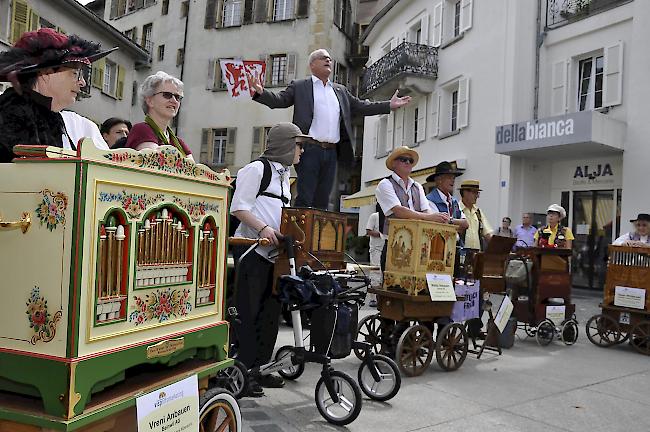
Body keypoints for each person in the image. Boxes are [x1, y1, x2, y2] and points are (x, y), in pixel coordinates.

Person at [250, 48, 412, 209]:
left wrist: (388, 105)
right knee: (305, 196)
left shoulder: (340, 90)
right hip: (309, 150)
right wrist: (261, 92)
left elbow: (361, 106)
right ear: (312, 65)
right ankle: (298, 233)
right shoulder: (300, 86)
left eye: (329, 58)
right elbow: (280, 100)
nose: (328, 60)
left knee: (323, 199)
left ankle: (318, 234)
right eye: (323, 58)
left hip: (332, 152)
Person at [230, 122, 308, 397]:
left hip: (276, 256)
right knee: (248, 314)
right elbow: (239, 207)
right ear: (286, 144)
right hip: (253, 251)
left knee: (270, 315)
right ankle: (243, 370)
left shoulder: (285, 176)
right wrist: (264, 229)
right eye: (298, 145)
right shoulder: (256, 170)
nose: (301, 151)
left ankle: (260, 369)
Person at [0, 28, 113, 162]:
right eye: (75, 73)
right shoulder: (11, 115)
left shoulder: (47, 115)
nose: (82, 82)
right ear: (46, 74)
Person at [375, 146, 449, 270]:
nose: (408, 163)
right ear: (394, 163)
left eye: (410, 161)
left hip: (418, 245)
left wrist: (438, 218)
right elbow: (399, 211)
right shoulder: (385, 184)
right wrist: (430, 217)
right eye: (404, 159)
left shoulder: (417, 186)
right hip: (394, 246)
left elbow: (426, 210)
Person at [126, 71, 192, 158]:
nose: (174, 101)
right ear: (150, 101)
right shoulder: (142, 130)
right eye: (167, 95)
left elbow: (195, 170)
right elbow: (157, 163)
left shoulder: (179, 142)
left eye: (177, 97)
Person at [425, 161, 469, 235]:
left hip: (456, 244)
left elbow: (465, 224)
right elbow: (439, 225)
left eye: (453, 178)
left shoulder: (454, 201)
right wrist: (457, 225)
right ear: (439, 180)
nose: (453, 180)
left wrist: (450, 221)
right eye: (449, 177)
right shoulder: (429, 200)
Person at [459, 180, 493, 251]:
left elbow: (487, 234)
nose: (477, 196)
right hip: (460, 255)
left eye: (478, 193)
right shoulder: (456, 209)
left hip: (477, 256)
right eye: (475, 193)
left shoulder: (478, 212)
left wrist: (500, 247)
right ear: (465, 193)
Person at [365, 211, 384, 307]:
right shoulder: (374, 216)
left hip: (385, 248)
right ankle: (373, 298)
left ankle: (381, 297)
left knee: (383, 273)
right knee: (375, 271)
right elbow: (368, 231)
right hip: (376, 249)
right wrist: (382, 234)